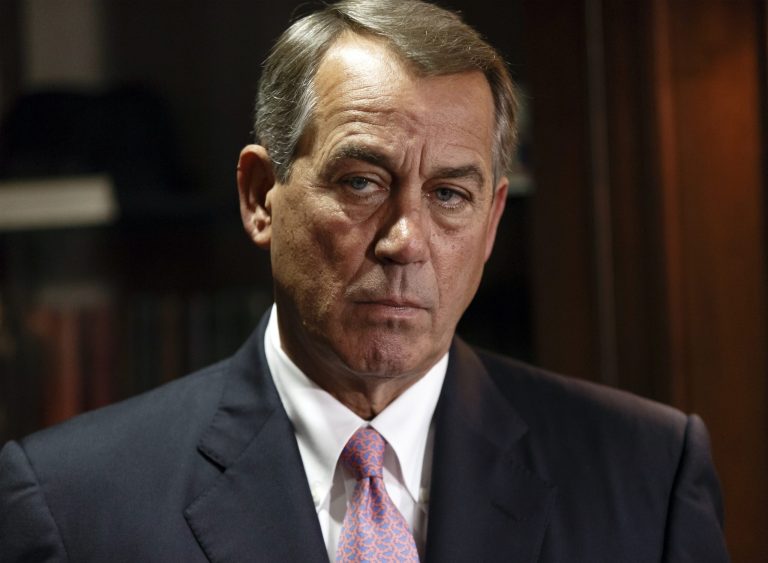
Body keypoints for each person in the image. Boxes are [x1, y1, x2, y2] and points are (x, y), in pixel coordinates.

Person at [0, 0, 729, 561]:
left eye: (449, 194)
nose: (406, 238)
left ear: (493, 220)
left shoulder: (648, 476)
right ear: (260, 196)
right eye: (361, 180)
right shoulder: (72, 503)